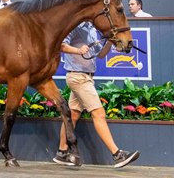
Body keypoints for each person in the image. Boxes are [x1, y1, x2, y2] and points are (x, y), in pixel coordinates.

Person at [53, 22, 140, 168]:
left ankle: (62, 152)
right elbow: (61, 45)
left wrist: (109, 42)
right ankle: (117, 155)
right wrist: (78, 50)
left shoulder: (93, 29)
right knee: (98, 113)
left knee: (73, 115)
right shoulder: (75, 26)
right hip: (78, 77)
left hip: (86, 77)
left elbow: (100, 54)